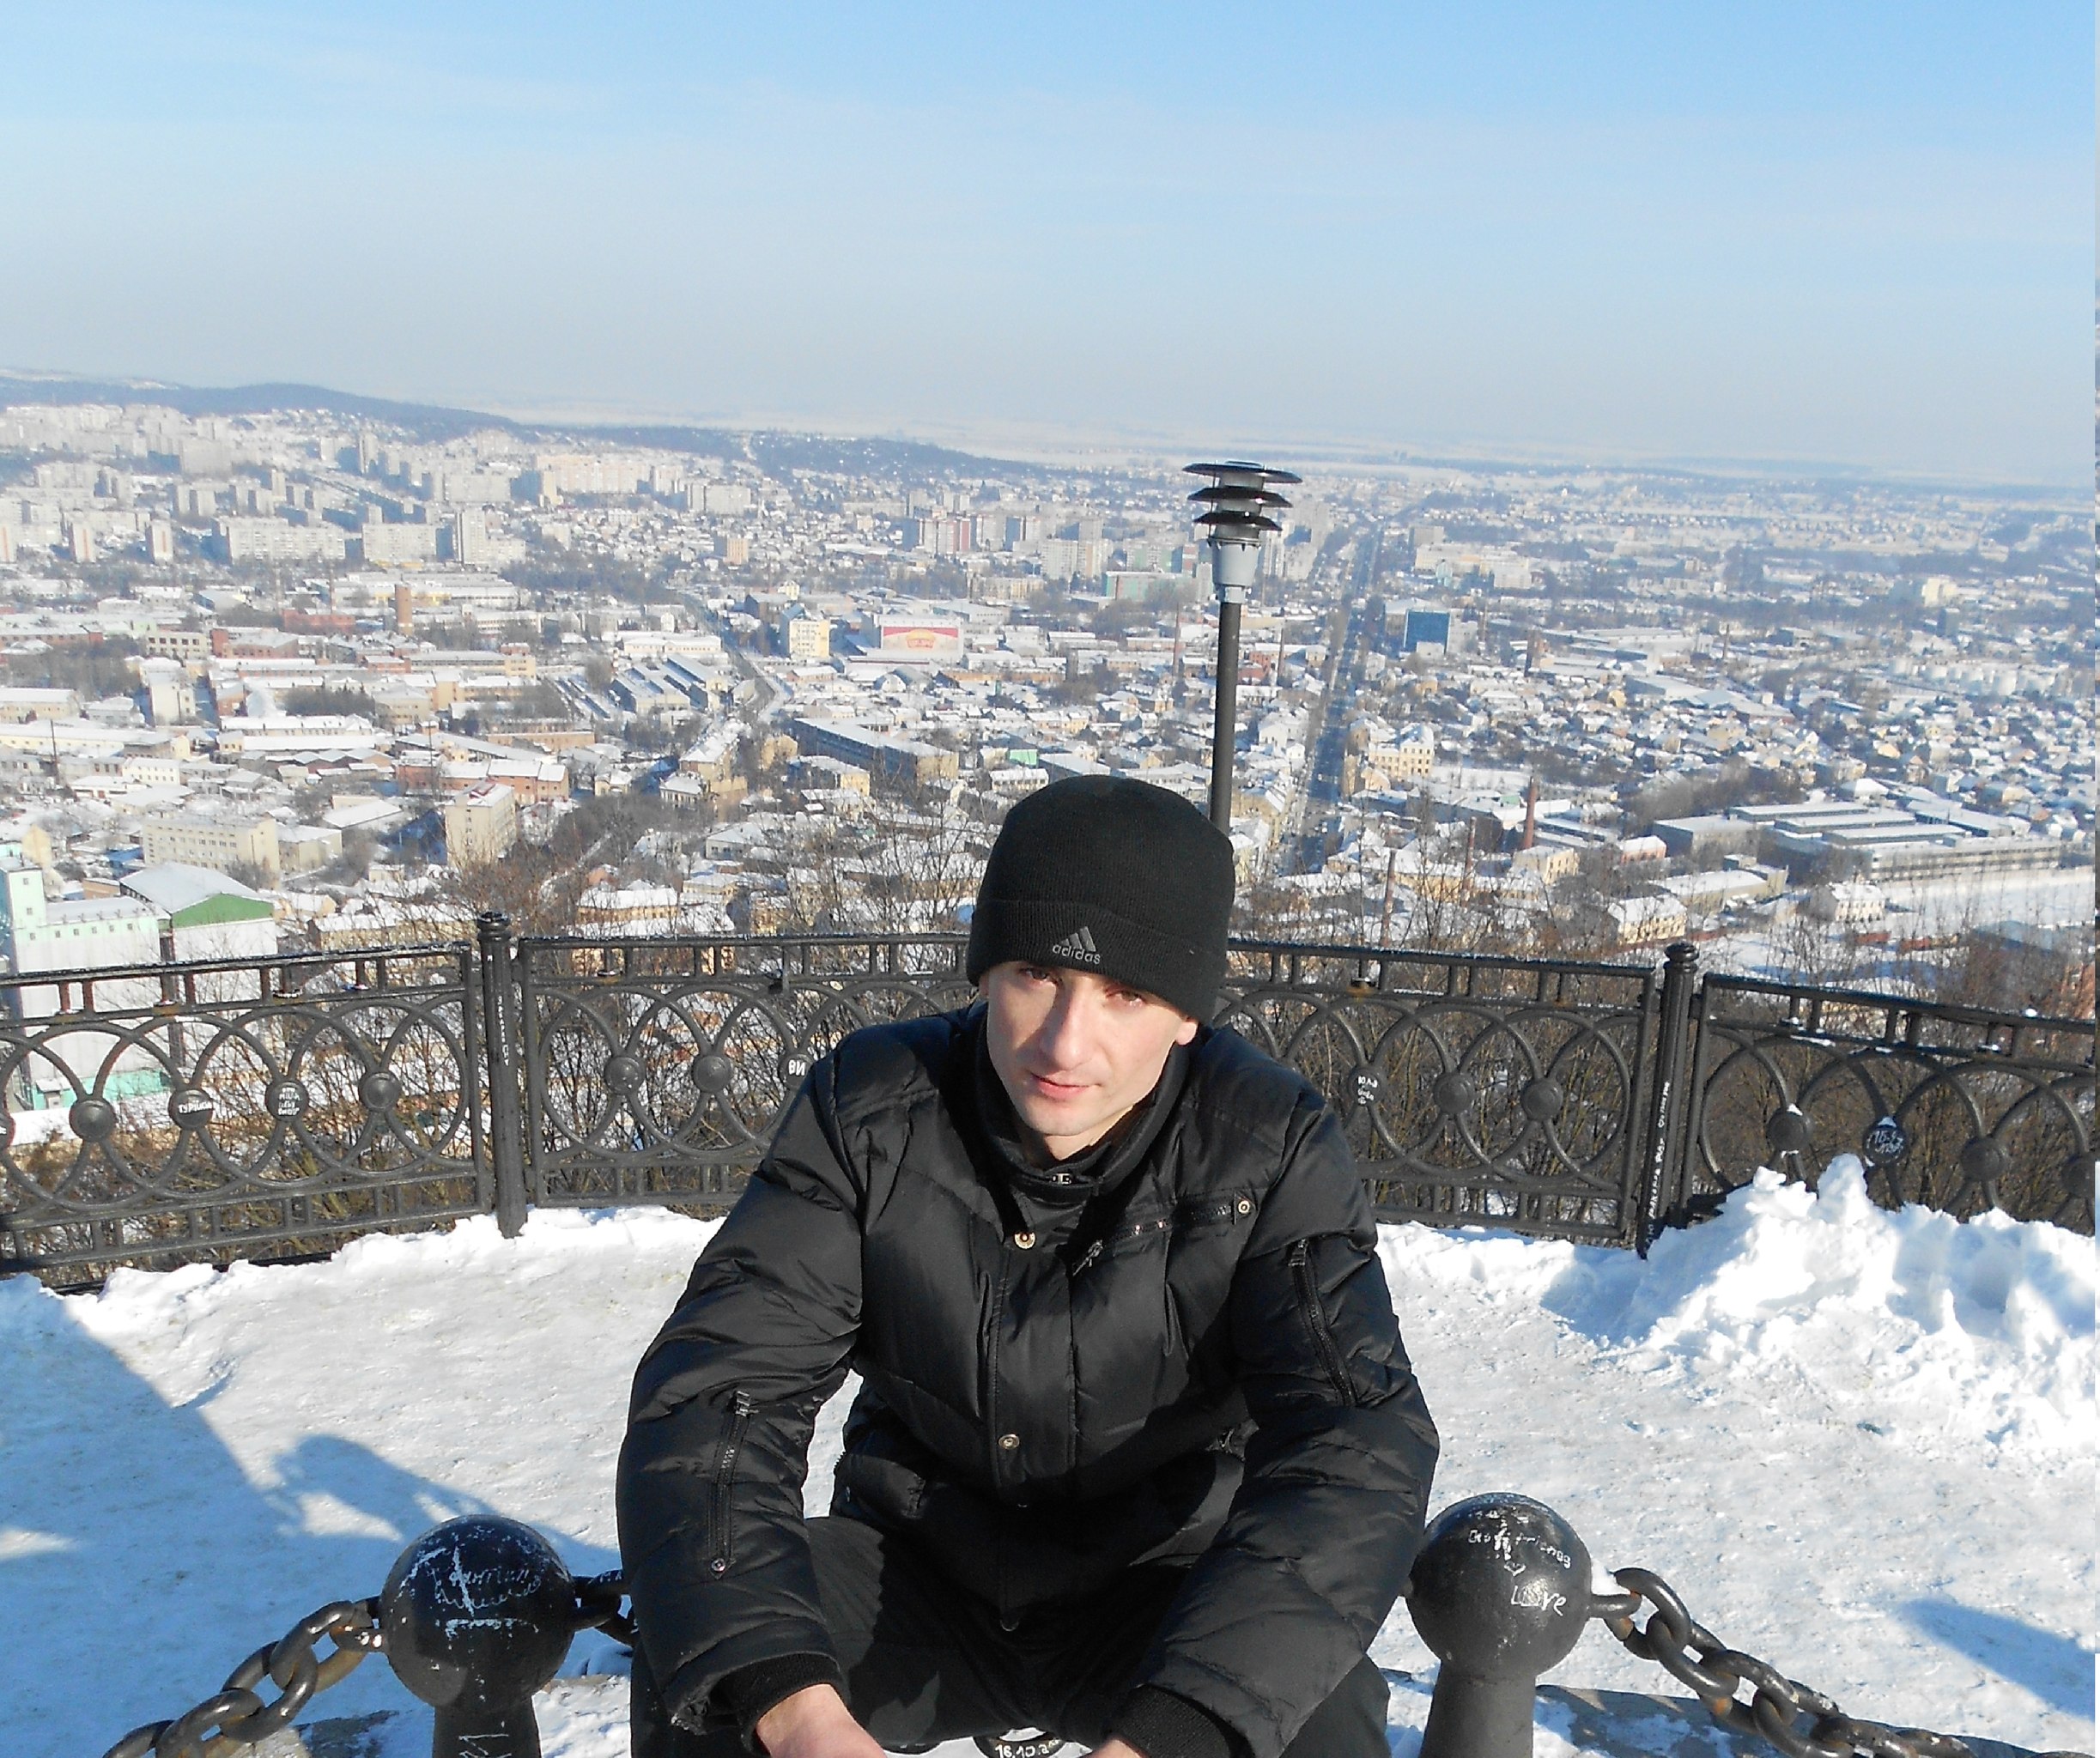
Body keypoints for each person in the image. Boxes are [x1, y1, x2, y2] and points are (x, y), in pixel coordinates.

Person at [618, 775, 1438, 1758]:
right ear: (984, 972)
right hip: (915, 1564)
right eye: (1036, 973)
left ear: (1186, 1015)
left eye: (1125, 991)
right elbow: (723, 1388)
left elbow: (1353, 1438)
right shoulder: (872, 1108)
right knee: (709, 1673)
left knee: (1310, 1713)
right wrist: (791, 1705)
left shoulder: (1266, 1143)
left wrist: (1182, 1729)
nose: (1064, 1041)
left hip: (1160, 1584)